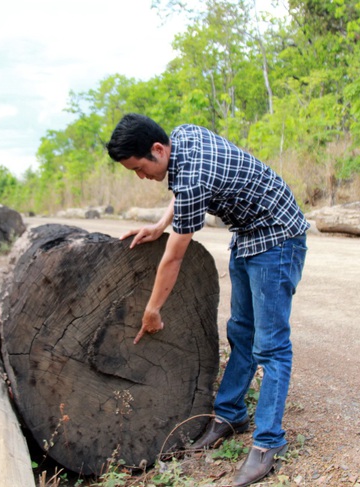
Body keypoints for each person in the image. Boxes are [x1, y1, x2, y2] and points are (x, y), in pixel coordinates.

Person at [106, 113, 309, 487]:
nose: (141, 176)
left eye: (139, 168)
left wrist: (152, 311)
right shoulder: (181, 138)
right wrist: (158, 226)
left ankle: (268, 443)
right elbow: (182, 193)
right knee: (241, 332)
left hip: (278, 237)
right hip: (249, 233)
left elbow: (174, 257)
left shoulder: (192, 173)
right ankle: (231, 414)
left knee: (271, 346)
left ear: (157, 149)